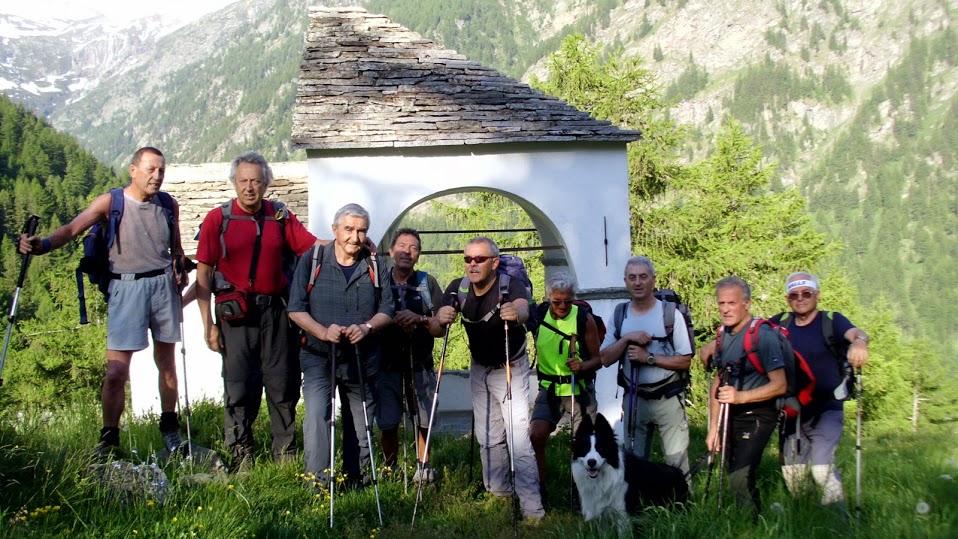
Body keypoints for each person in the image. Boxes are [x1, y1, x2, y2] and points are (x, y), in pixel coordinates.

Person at [18, 147, 189, 457]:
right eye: (151, 169)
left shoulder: (168, 205)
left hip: (163, 286)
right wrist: (41, 246)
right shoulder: (112, 202)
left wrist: (179, 264)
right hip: (126, 287)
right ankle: (109, 440)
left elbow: (175, 248)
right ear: (133, 170)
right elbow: (72, 229)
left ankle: (170, 430)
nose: (157, 176)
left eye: (161, 170)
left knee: (167, 364)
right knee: (116, 373)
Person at [194, 151, 317, 465]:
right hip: (235, 317)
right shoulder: (217, 219)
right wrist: (208, 325)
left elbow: (311, 247)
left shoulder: (280, 216)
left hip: (276, 313)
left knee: (282, 382)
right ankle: (241, 454)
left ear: (266, 184)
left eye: (256, 181)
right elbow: (203, 275)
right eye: (243, 181)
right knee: (238, 385)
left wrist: (348, 242)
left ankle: (285, 453)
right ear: (234, 182)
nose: (249, 187)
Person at [435, 237, 545, 520]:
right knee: (488, 436)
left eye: (479, 259)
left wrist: (516, 313)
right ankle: (499, 494)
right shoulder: (458, 288)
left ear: (494, 263)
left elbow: (523, 308)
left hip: (511, 367)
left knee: (518, 439)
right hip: (479, 369)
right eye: (468, 259)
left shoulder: (510, 285)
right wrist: (440, 318)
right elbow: (436, 329)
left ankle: (532, 508)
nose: (472, 264)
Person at [288, 203, 394, 490]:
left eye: (361, 231)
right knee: (317, 418)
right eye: (348, 229)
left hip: (362, 358)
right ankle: (318, 485)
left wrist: (367, 327)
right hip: (318, 357)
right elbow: (295, 308)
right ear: (334, 230)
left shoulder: (374, 265)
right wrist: (322, 332)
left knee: (360, 421)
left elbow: (388, 309)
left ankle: (356, 480)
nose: (355, 237)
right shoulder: (312, 260)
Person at [771, 271, 868, 513]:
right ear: (787, 299)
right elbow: (749, 332)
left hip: (827, 409)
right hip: (793, 411)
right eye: (794, 295)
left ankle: (839, 523)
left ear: (817, 295)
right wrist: (715, 343)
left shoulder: (832, 321)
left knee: (821, 469)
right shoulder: (780, 322)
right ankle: (807, 519)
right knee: (793, 476)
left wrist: (859, 343)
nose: (800, 299)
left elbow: (857, 333)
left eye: (806, 293)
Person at [595, 256, 692, 477]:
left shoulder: (670, 314)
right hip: (634, 398)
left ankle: (682, 498)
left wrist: (648, 358)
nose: (638, 282)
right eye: (632, 278)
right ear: (625, 282)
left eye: (643, 277)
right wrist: (627, 338)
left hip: (668, 397)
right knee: (633, 464)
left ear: (653, 280)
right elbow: (605, 358)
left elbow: (685, 360)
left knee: (677, 461)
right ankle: (640, 499)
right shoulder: (620, 315)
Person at [703, 276, 787, 516]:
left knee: (739, 477)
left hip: (759, 414)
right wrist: (713, 429)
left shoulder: (763, 336)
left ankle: (750, 526)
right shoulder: (722, 335)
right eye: (721, 303)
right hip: (731, 414)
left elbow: (780, 385)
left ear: (747, 303)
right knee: (735, 474)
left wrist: (740, 397)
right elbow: (718, 382)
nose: (726, 309)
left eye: (732, 303)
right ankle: (750, 519)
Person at [377, 228, 444, 483]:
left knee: (424, 417)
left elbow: (440, 326)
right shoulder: (379, 281)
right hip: (386, 362)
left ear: (418, 255)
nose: (407, 252)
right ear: (391, 250)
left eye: (413, 248)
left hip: (420, 362)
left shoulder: (427, 283)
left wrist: (419, 319)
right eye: (402, 246)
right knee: (388, 420)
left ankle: (423, 466)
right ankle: (390, 468)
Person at [529, 271, 600, 490]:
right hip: (549, 388)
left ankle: (582, 490)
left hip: (578, 388)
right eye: (557, 301)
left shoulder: (583, 319)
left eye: (567, 301)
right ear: (548, 298)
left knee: (583, 443)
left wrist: (582, 366)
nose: (562, 306)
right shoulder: (539, 315)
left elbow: (598, 359)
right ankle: (540, 486)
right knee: (536, 434)